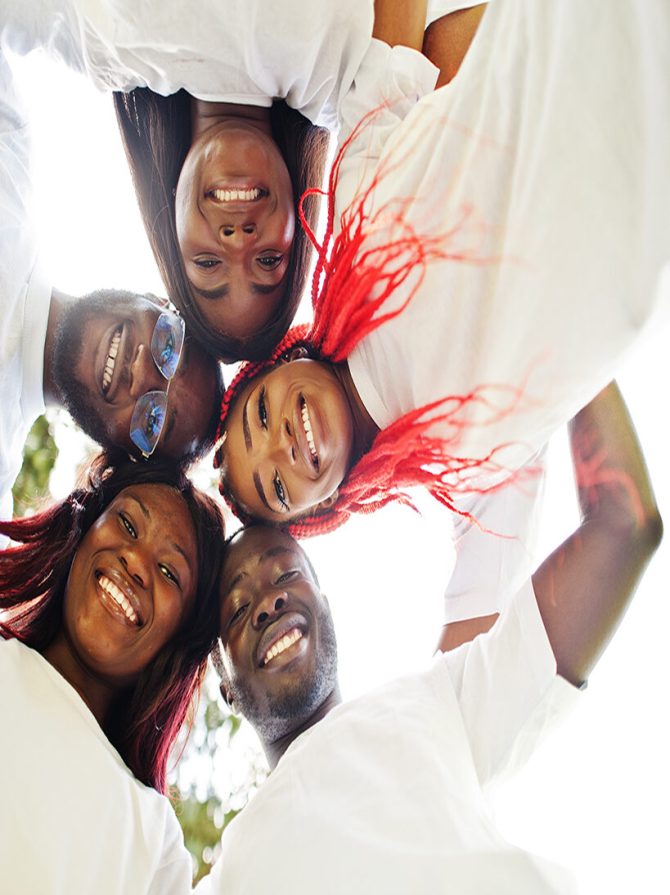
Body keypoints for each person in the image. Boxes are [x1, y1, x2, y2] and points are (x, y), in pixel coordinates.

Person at [216, 0, 670, 535]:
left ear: (282, 360)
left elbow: (401, 44)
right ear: (320, 508)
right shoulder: (470, 463)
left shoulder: (352, 220)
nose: (281, 443)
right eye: (277, 486)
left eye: (261, 415)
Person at [205, 381, 662, 894]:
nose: (269, 601)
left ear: (326, 604)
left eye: (286, 575)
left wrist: (571, 340)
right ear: (222, 680)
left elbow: (624, 527)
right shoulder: (229, 874)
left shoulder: (443, 702)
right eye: (239, 608)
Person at [0, 0, 479, 359]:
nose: (237, 240)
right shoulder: (354, 85)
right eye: (269, 260)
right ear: (301, 223)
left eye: (208, 263)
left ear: (172, 227)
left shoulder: (103, 43)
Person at [0, 42, 224, 526]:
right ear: (158, 300)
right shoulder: (9, 153)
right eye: (169, 345)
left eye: (153, 421)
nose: (144, 372)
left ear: (124, 453)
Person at [0, 455, 226, 894]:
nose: (136, 564)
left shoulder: (153, 844)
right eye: (126, 524)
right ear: (83, 529)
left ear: (177, 641)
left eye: (167, 572)